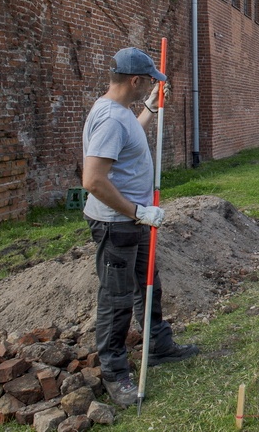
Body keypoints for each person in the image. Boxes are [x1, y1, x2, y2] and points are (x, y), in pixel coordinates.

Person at [82, 47, 199, 407]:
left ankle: (158, 344)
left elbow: (132, 136)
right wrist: (138, 212)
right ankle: (116, 374)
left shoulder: (121, 113)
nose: (149, 85)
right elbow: (93, 180)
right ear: (134, 80)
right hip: (117, 223)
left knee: (149, 285)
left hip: (134, 219)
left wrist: (150, 105)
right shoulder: (111, 119)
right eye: (147, 82)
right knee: (116, 301)